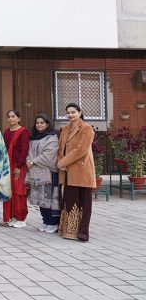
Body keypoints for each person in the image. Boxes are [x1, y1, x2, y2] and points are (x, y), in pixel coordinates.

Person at [57, 103, 95, 241]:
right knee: (70, 199)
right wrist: (61, 162)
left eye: (73, 112)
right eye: (68, 112)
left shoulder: (86, 128)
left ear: (80, 112)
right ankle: (68, 230)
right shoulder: (65, 129)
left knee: (83, 201)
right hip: (67, 171)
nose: (70, 115)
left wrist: (63, 162)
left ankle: (82, 232)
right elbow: (60, 149)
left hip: (81, 170)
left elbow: (81, 150)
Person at [26, 113, 60, 233]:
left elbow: (49, 156)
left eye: (42, 123)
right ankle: (45, 221)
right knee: (40, 198)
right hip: (36, 173)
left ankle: (53, 223)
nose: (39, 125)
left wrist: (33, 161)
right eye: (37, 123)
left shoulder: (51, 138)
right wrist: (28, 160)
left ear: (47, 124)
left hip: (48, 173)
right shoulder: (34, 137)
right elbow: (29, 152)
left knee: (49, 199)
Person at [3, 109, 31, 228]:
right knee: (10, 191)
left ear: (19, 118)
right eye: (9, 117)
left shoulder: (23, 132)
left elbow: (24, 150)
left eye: (13, 116)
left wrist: (19, 166)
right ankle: (13, 216)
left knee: (19, 192)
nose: (11, 119)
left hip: (18, 165)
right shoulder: (6, 132)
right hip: (7, 165)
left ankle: (21, 218)